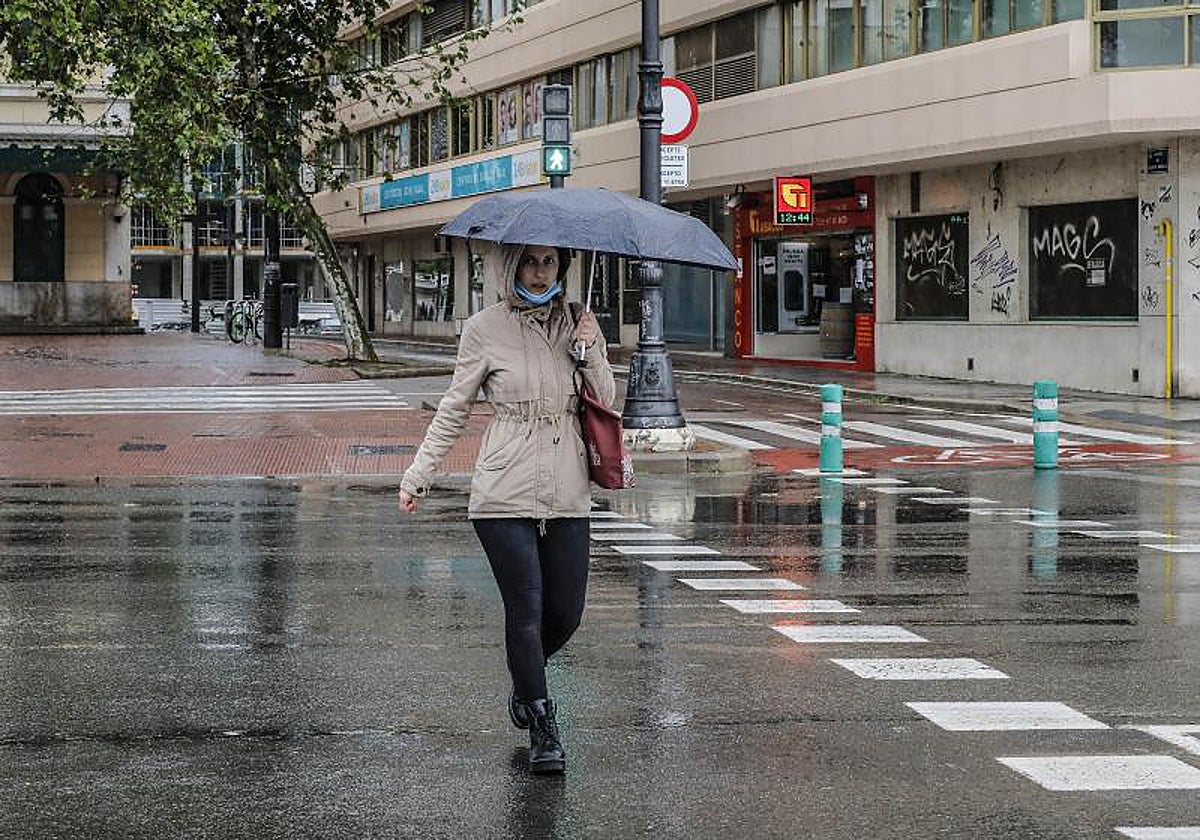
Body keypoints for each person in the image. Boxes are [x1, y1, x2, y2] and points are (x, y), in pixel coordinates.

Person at [398, 243, 614, 775]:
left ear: (562, 268)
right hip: (503, 487)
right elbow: (455, 406)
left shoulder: (579, 323)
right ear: (511, 265)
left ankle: (526, 675)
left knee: (565, 612)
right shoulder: (484, 328)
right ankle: (543, 724)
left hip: (567, 484)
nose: (541, 272)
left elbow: (608, 401)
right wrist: (419, 473)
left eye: (550, 263)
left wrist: (588, 353)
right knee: (526, 606)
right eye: (530, 261)